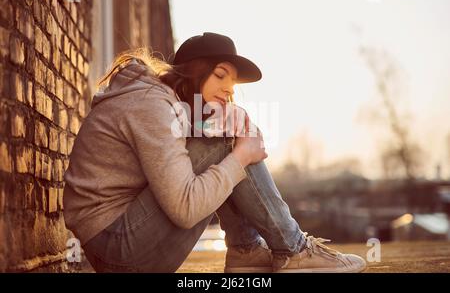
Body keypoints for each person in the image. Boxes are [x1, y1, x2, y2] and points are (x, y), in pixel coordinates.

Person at [63, 32, 366, 273]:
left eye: (232, 83)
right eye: (221, 75)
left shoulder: (159, 102)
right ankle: (293, 250)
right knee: (227, 143)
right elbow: (186, 208)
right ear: (195, 72)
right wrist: (241, 155)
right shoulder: (153, 106)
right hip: (119, 250)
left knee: (227, 135)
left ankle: (246, 250)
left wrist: (230, 130)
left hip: (115, 241)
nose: (228, 90)